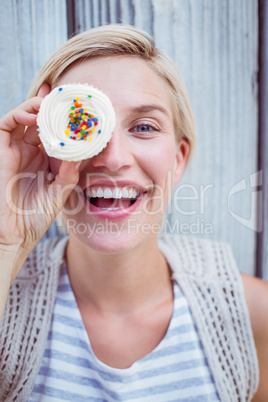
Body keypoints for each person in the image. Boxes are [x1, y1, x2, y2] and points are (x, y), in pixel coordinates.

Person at [0, 24, 267, 402]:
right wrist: (5, 245)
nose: (113, 158)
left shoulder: (254, 318)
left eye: (143, 127)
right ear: (44, 151)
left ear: (178, 160)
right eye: (81, 125)